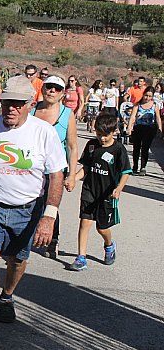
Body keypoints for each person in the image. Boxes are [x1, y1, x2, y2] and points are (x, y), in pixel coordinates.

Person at [0, 76, 67, 343]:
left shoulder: (44, 132)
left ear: (30, 105)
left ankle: (6, 295)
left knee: (17, 261)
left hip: (27, 209)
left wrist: (49, 216)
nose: (11, 108)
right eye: (7, 102)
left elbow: (56, 175)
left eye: (18, 104)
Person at [68, 113, 132, 271]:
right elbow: (87, 168)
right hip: (90, 190)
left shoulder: (118, 149)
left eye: (105, 135)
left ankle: (109, 245)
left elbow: (125, 172)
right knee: (84, 222)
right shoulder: (91, 145)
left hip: (107, 194)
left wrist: (118, 189)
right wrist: (74, 179)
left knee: (101, 228)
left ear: (114, 132)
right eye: (98, 134)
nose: (102, 138)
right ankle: (81, 257)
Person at [31, 76, 78, 258]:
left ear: (62, 94)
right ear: (42, 89)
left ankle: (53, 239)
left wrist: (72, 175)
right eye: (48, 87)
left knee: (50, 204)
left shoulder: (67, 114)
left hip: (56, 170)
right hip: (32, 167)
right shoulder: (32, 110)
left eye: (56, 88)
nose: (51, 91)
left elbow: (72, 147)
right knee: (30, 202)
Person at [126, 86, 163, 176]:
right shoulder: (137, 105)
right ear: (143, 94)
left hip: (150, 129)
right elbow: (132, 117)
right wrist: (129, 127)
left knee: (145, 148)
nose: (147, 98)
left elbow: (157, 118)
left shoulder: (155, 105)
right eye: (146, 95)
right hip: (138, 128)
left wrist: (160, 129)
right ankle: (135, 167)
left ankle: (143, 167)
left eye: (150, 96)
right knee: (136, 148)